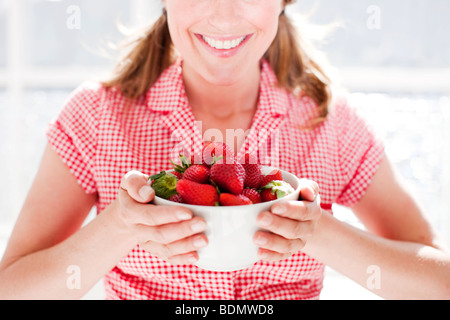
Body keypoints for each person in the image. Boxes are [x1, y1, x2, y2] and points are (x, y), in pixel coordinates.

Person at [0, 0, 449, 300]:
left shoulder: (330, 123)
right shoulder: (95, 118)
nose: (223, 15)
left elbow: (439, 282)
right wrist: (119, 227)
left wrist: (320, 234)